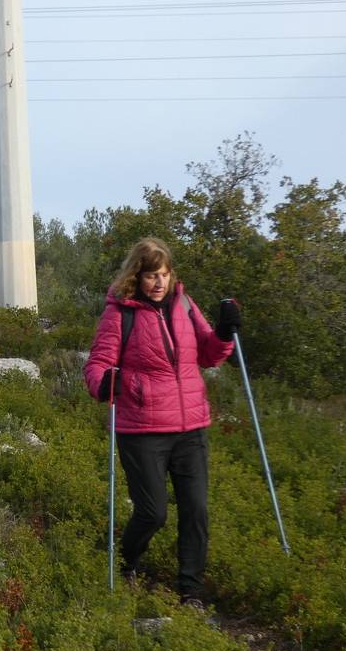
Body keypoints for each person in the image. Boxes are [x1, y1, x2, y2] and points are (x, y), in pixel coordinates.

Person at [83, 237, 239, 606]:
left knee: (196, 510)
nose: (159, 282)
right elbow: (97, 366)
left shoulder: (184, 305)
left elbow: (208, 355)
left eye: (164, 274)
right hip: (142, 429)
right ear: (138, 275)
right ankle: (127, 560)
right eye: (152, 275)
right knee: (153, 512)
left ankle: (191, 590)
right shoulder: (121, 313)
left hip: (191, 427)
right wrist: (107, 383)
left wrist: (224, 334)